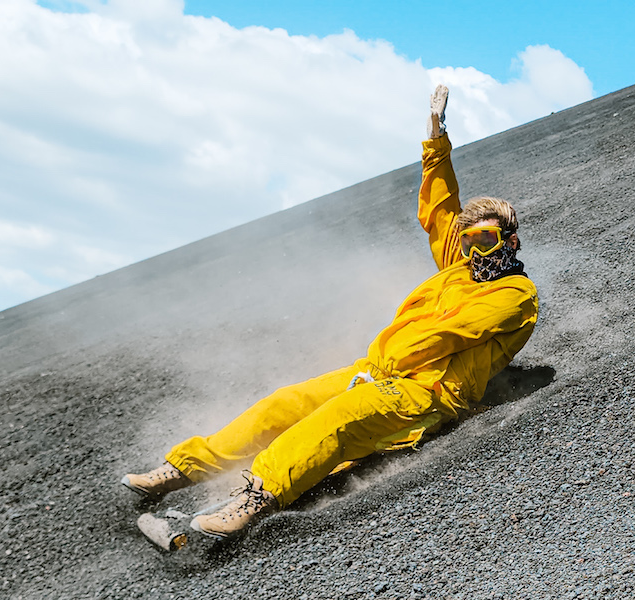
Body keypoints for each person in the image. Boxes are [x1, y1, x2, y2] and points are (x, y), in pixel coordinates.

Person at [121, 85, 539, 540]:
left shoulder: (517, 295)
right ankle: (180, 469)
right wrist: (435, 136)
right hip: (377, 371)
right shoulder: (458, 268)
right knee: (282, 405)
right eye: (471, 242)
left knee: (337, 417)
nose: (478, 252)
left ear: (510, 242)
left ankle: (251, 501)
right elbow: (440, 210)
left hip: (428, 394)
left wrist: (380, 374)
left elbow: (440, 338)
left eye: (488, 242)